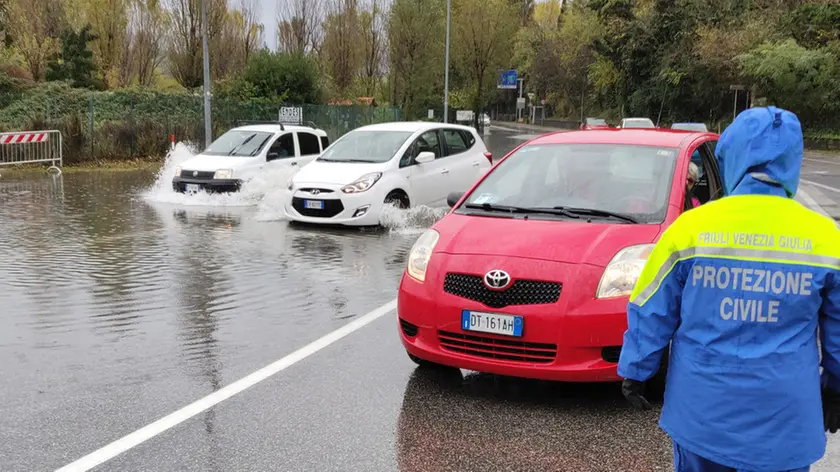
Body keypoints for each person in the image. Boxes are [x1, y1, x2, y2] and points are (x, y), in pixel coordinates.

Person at [616, 106, 840, 472]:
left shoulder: (690, 229)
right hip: (784, 422)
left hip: (703, 415)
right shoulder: (826, 238)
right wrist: (835, 389)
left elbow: (650, 306)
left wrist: (637, 370)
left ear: (732, 158)